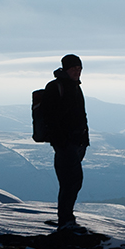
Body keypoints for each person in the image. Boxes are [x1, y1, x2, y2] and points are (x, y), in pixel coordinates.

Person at [46, 54, 90, 230]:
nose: (77, 72)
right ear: (66, 69)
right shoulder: (55, 87)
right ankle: (65, 220)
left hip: (76, 144)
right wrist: (61, 142)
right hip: (66, 145)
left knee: (72, 182)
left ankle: (66, 218)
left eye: (79, 69)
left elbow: (81, 116)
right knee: (71, 182)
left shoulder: (75, 87)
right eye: (74, 68)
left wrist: (84, 141)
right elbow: (50, 118)